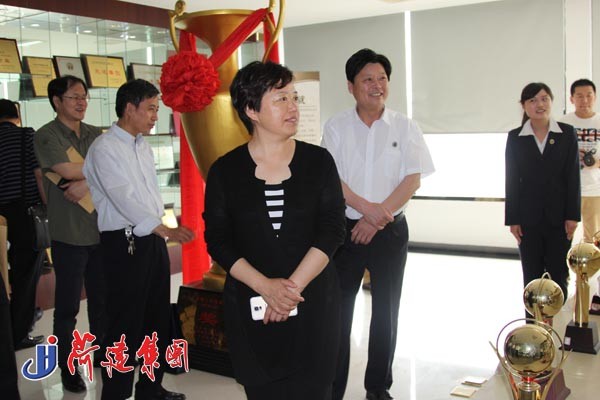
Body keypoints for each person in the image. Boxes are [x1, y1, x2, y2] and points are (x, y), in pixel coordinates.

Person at [203, 61, 346, 400]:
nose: (293, 106)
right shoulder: (225, 171)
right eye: (281, 99)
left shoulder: (319, 162)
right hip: (252, 306)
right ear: (251, 110)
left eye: (294, 97)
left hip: (313, 304)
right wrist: (265, 287)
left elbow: (332, 229)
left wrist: (288, 291)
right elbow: (218, 240)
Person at [322, 48, 435, 400]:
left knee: (386, 312)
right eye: (367, 79)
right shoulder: (336, 126)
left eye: (382, 78)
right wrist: (365, 210)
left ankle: (377, 388)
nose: (377, 85)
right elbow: (332, 180)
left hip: (390, 232)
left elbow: (412, 180)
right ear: (350, 86)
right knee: (338, 313)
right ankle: (332, 389)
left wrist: (376, 218)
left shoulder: (405, 126)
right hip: (345, 232)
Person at [83, 79, 194, 400]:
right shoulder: (104, 148)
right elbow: (123, 197)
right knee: (124, 323)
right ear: (129, 108)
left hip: (152, 240)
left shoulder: (141, 144)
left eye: (157, 109)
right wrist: (163, 229)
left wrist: (162, 230)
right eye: (150, 109)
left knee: (155, 318)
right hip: (124, 243)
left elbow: (148, 196)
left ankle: (150, 388)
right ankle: (115, 393)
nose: (155, 116)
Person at [33, 76, 106, 393]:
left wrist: (86, 181)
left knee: (103, 302)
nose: (81, 102)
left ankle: (104, 354)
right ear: (56, 101)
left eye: (84, 96)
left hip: (101, 230)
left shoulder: (95, 134)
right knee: (67, 308)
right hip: (69, 233)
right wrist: (96, 174)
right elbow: (65, 170)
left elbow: (110, 170)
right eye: (74, 97)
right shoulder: (46, 135)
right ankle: (68, 367)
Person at [505, 82, 580, 303]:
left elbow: (573, 178)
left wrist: (573, 215)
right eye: (533, 100)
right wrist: (513, 219)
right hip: (527, 219)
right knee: (531, 275)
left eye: (544, 98)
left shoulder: (566, 133)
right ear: (524, 106)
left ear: (551, 101)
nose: (540, 104)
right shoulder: (516, 137)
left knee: (558, 273)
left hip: (560, 218)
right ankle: (533, 323)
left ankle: (557, 321)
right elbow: (511, 180)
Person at [0, 99, 46, 350]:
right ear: (16, 116)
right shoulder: (26, 135)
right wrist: (48, 206)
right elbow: (39, 174)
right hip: (23, 214)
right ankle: (18, 333)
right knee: (26, 274)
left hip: (1, 216)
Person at [560, 79, 600, 243]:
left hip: (595, 189)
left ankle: (590, 262)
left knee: (593, 240)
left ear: (595, 97)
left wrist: (596, 163)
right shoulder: (562, 123)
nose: (585, 100)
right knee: (563, 236)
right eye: (579, 96)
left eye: (589, 95)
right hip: (566, 189)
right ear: (572, 99)